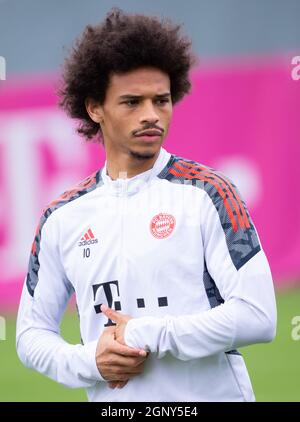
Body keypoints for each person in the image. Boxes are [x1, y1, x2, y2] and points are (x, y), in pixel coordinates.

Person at [16, 8, 277, 402]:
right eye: (132, 102)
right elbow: (30, 335)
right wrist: (90, 361)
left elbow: (259, 317)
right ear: (94, 108)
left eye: (162, 100)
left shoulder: (209, 193)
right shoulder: (61, 218)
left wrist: (147, 333)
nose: (152, 116)